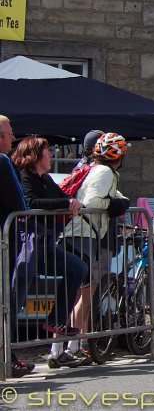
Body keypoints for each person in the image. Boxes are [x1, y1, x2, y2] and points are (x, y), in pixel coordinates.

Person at [13, 137, 89, 368]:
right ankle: (9, 351)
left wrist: (71, 202)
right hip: (28, 244)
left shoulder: (45, 178)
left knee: (78, 267)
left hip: (44, 243)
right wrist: (66, 204)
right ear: (35, 155)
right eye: (48, 151)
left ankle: (56, 321)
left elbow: (62, 197)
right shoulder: (25, 176)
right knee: (17, 296)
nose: (52, 155)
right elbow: (31, 201)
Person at [60, 132, 130, 363]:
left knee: (77, 293)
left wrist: (120, 200)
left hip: (80, 232)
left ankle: (63, 348)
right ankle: (72, 346)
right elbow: (92, 202)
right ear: (118, 157)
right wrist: (116, 204)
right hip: (84, 233)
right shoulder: (106, 172)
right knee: (85, 292)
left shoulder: (97, 169)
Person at [0, 116, 36, 376]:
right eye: (8, 133)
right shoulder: (2, 162)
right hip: (3, 241)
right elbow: (19, 204)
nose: (13, 138)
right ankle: (7, 358)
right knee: (3, 302)